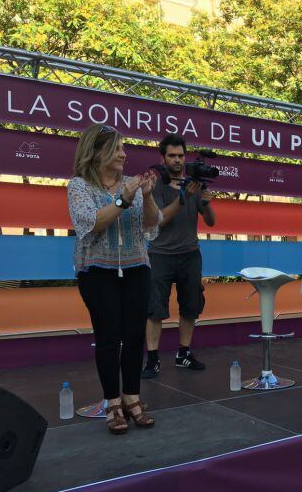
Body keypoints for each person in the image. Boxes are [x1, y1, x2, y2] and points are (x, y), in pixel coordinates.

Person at [67, 124, 159, 434]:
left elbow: (151, 227)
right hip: (97, 271)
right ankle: (112, 403)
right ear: (97, 151)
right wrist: (121, 201)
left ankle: (132, 398)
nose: (124, 153)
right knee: (108, 337)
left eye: (123, 148)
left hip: (137, 267)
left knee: (134, 336)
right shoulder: (79, 186)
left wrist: (145, 197)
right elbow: (91, 223)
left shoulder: (132, 184)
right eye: (117, 148)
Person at [142, 134, 216, 378]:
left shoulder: (195, 186)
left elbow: (211, 222)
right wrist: (183, 199)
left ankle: (183, 353)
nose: (177, 160)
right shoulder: (156, 185)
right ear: (162, 158)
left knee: (191, 307)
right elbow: (158, 220)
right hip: (160, 254)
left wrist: (205, 202)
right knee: (154, 309)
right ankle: (152, 359)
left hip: (190, 254)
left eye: (181, 156)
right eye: (172, 156)